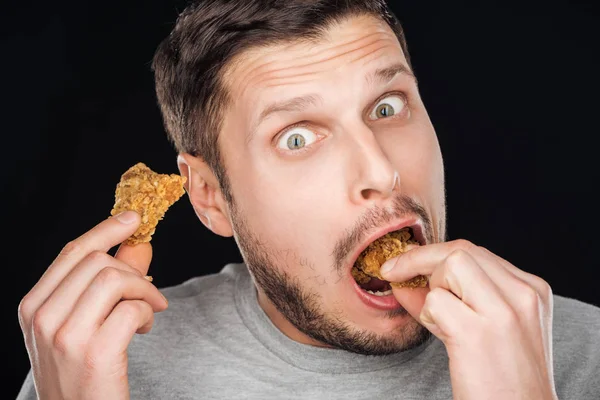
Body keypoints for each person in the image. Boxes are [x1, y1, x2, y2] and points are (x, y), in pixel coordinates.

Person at [15, 0, 600, 399]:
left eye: (388, 107)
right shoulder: (96, 368)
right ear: (211, 198)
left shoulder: (580, 355)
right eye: (297, 137)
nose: (382, 169)